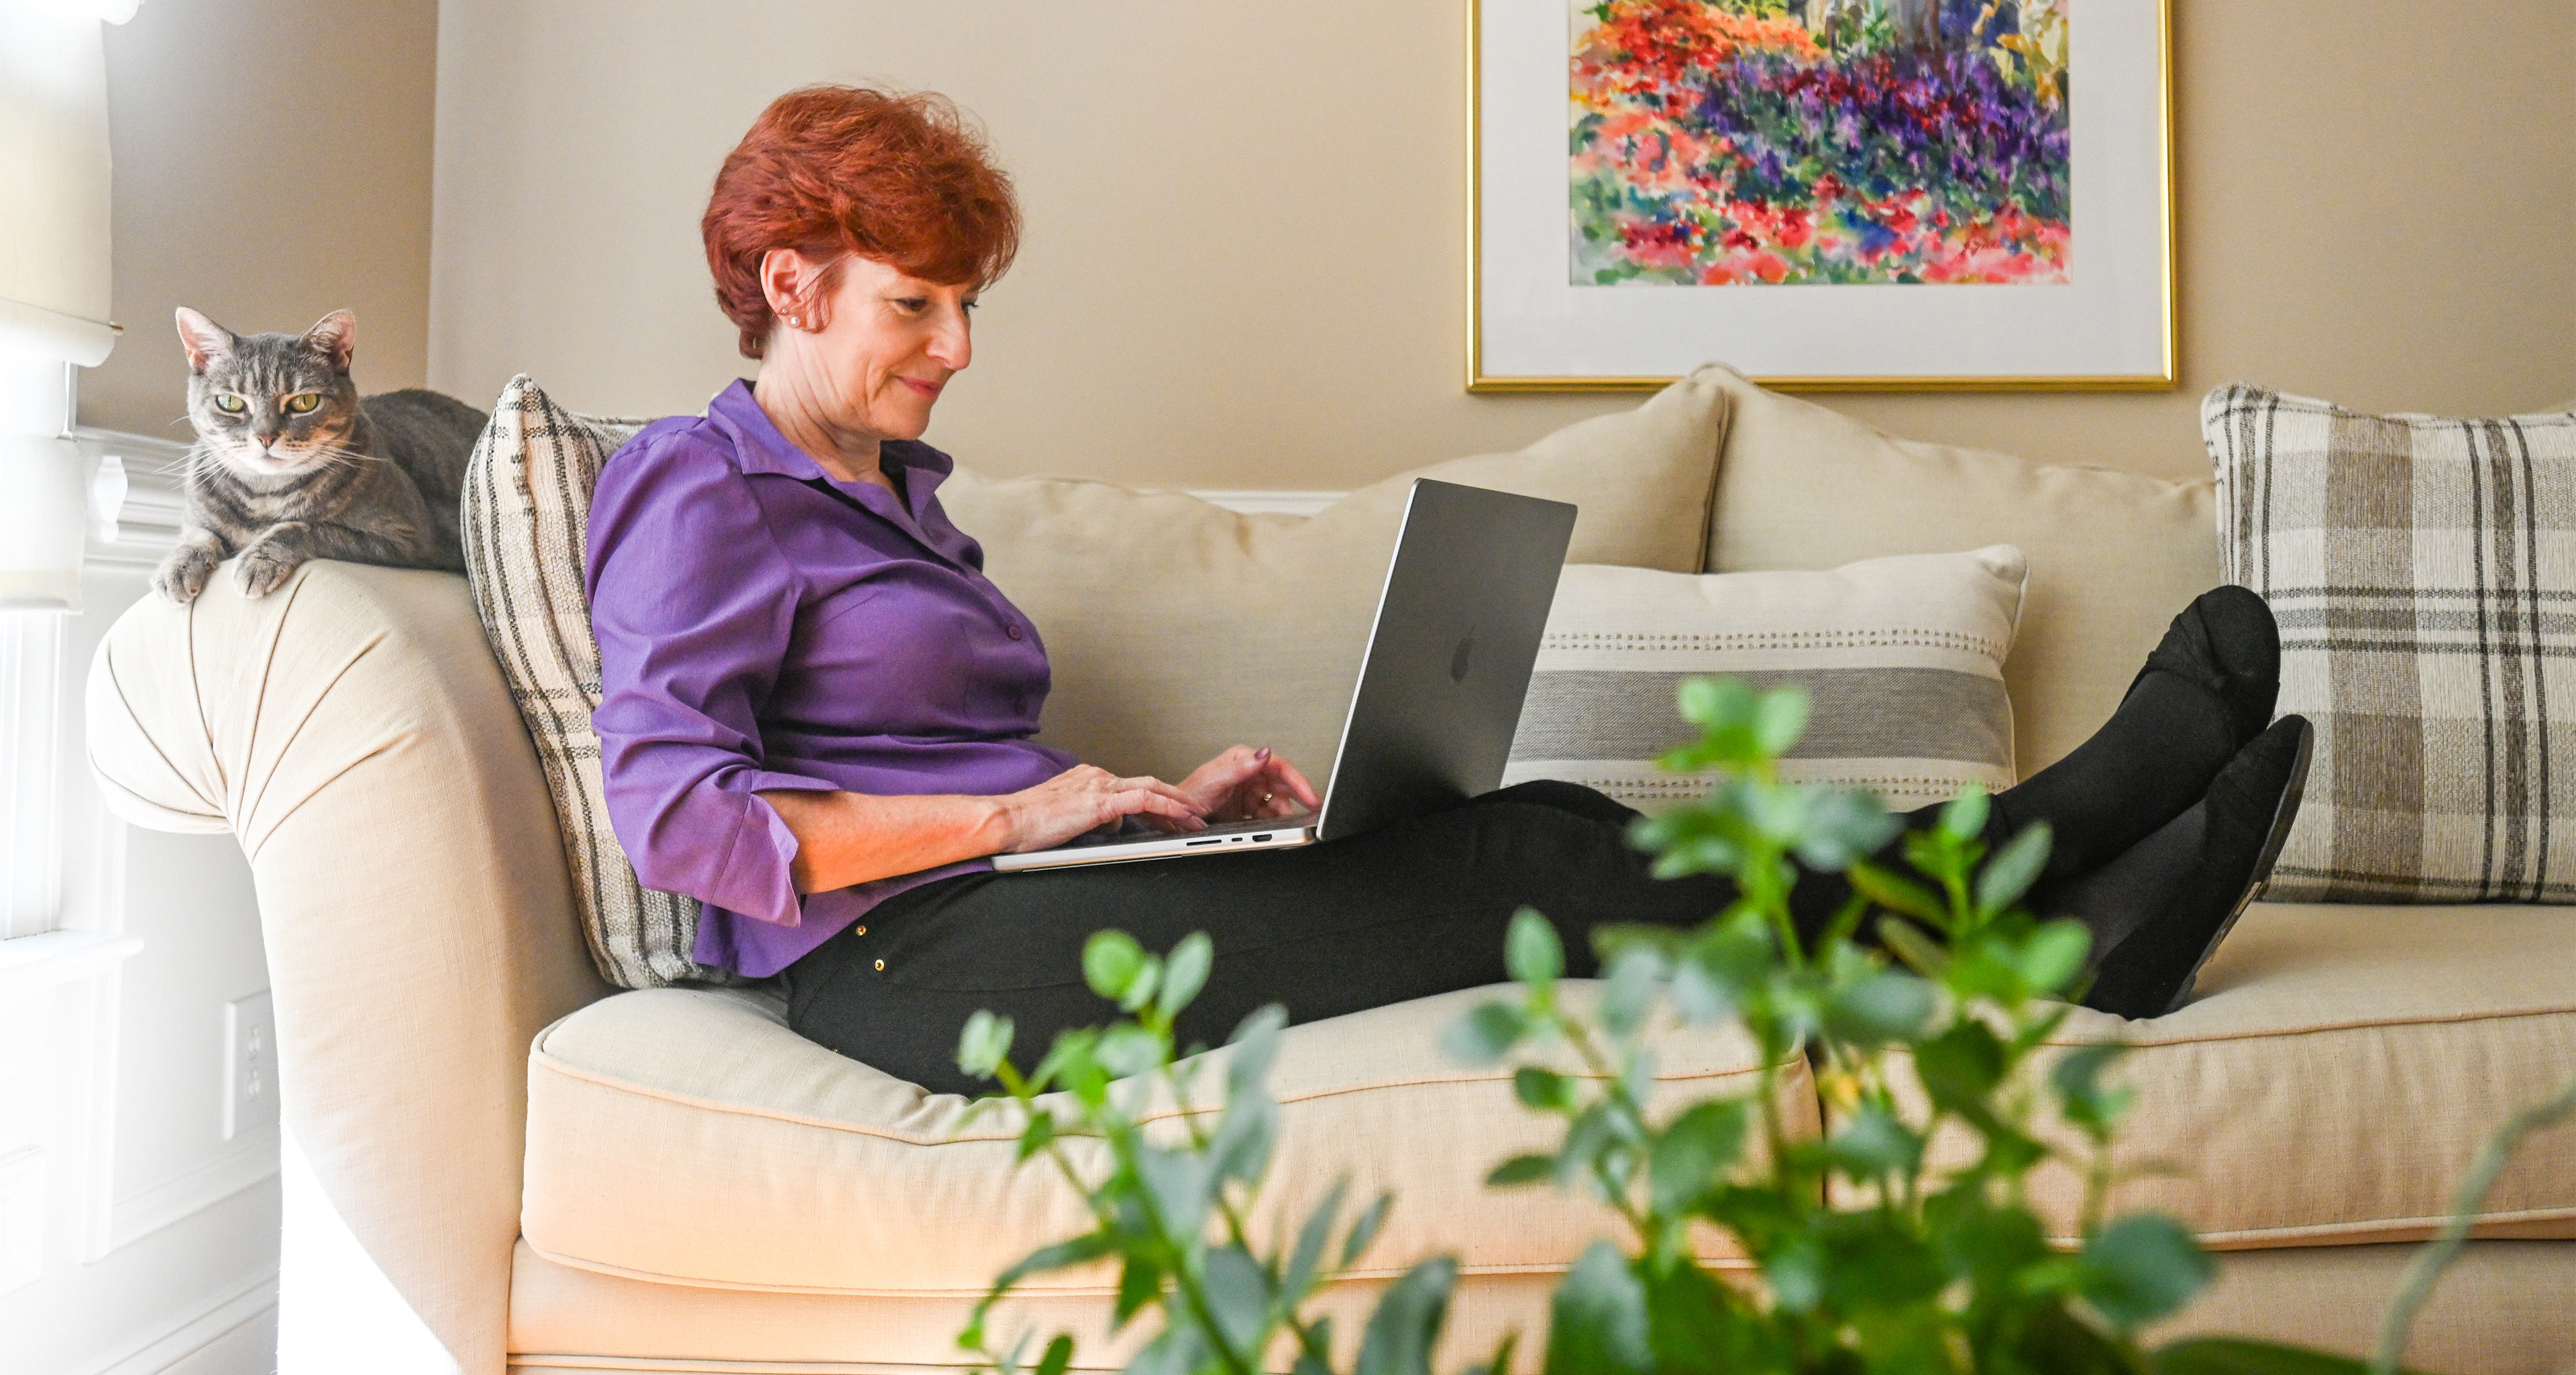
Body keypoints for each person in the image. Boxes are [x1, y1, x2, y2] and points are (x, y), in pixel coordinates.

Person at [587, 87, 2310, 1097]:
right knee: (1524, 866)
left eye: (969, 305)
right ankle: (2038, 855)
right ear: (790, 283)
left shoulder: (894, 493)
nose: (958, 346)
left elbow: (949, 768)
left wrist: (1153, 808)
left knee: (1539, 815)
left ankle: (2064, 925)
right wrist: (1019, 817)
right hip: (904, 967)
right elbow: (677, 817)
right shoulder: (698, 484)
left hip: (1016, 903)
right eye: (916, 304)